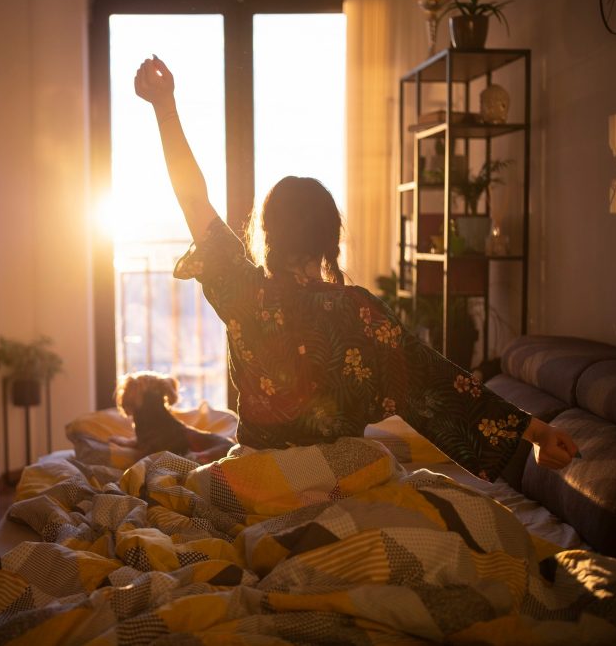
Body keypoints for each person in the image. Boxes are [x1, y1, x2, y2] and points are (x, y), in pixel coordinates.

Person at [134, 55, 577, 481]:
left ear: (268, 233)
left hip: (256, 477)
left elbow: (193, 199)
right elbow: (441, 382)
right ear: (332, 237)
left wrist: (164, 107)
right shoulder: (362, 312)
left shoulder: (246, 293)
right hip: (339, 476)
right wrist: (536, 432)